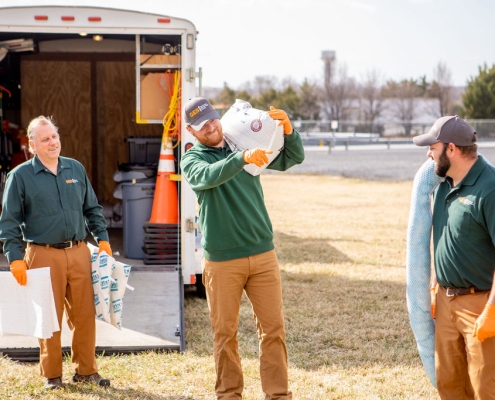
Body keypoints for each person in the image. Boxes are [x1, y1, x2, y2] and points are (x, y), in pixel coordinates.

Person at [180, 97, 304, 399]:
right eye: (202, 126)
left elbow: (291, 159)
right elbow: (208, 177)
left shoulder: (241, 140)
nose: (211, 127)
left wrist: (288, 131)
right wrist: (243, 157)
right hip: (222, 262)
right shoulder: (192, 158)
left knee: (273, 331)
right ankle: (229, 395)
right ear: (190, 131)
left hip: (263, 254)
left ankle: (278, 395)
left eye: (212, 119)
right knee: (225, 335)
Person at [0, 116, 112, 390]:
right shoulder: (21, 176)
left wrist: (103, 239)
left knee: (85, 316)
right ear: (32, 145)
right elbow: (9, 222)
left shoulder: (75, 168)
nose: (53, 142)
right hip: (42, 254)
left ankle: (86, 371)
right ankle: (52, 375)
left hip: (78, 252)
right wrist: (15, 258)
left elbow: (92, 209)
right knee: (48, 318)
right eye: (45, 139)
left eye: (55, 137)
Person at [413, 115, 495, 399]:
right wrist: (437, 285)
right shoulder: (444, 185)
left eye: (432, 147)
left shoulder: (491, 187)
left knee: (485, 386)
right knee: (449, 384)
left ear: (451, 149)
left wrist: (492, 309)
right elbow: (446, 240)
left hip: (481, 304)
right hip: (446, 304)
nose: (428, 154)